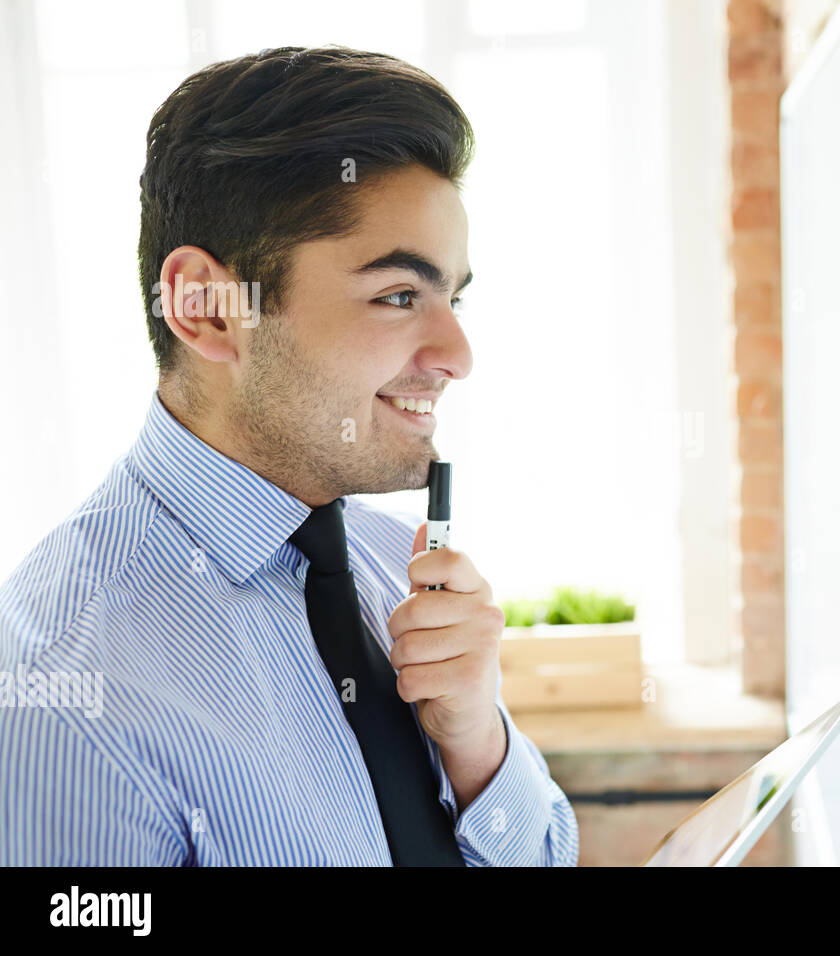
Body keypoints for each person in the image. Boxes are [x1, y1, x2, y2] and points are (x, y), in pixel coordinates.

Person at [0, 46, 579, 866]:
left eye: (454, 296)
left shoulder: (390, 568)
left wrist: (477, 743)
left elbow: (548, 854)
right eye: (398, 296)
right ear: (206, 308)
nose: (458, 353)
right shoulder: (66, 691)